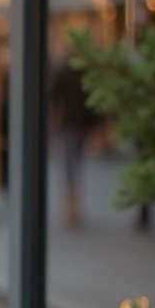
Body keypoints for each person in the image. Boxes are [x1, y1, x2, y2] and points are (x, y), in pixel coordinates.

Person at [48, 57, 99, 228]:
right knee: (75, 163)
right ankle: (73, 205)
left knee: (68, 163)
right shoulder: (83, 74)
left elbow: (53, 99)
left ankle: (70, 206)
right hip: (79, 124)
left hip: (68, 123)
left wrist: (54, 122)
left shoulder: (63, 72)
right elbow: (91, 102)